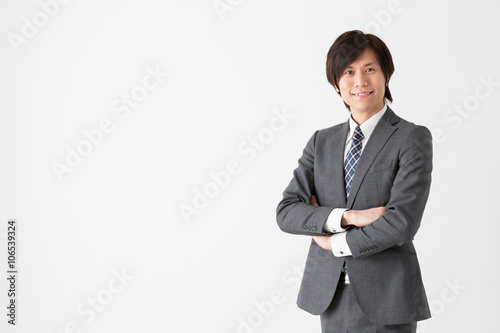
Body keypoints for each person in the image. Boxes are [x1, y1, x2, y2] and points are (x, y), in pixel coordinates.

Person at [276, 30, 433, 333]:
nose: (360, 81)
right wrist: (347, 217)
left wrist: (335, 242)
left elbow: (402, 223)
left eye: (370, 69)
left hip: (388, 296)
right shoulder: (322, 142)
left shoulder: (411, 138)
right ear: (336, 82)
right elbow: (286, 212)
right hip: (330, 294)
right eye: (348, 72)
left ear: (386, 75)